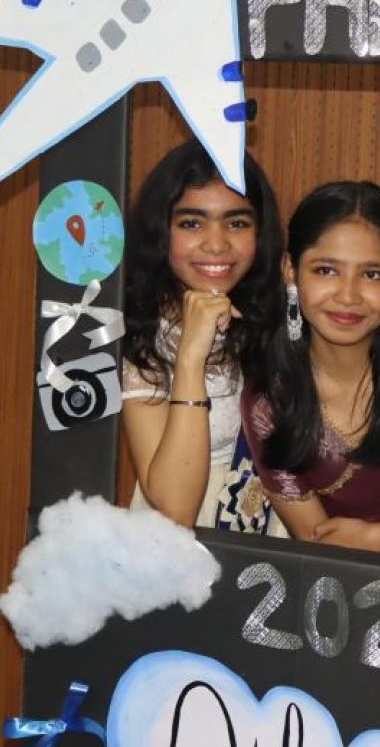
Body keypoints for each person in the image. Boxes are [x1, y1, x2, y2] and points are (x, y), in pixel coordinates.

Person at [241, 181, 380, 559]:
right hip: (341, 579)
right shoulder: (269, 401)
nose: (348, 295)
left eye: (372, 274)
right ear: (291, 270)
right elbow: (316, 541)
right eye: (326, 270)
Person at [121, 139, 286, 535]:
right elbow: (175, 508)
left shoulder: (280, 318)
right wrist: (191, 356)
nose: (216, 244)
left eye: (237, 223)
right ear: (161, 231)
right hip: (179, 548)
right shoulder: (141, 334)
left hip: (275, 534)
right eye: (192, 223)